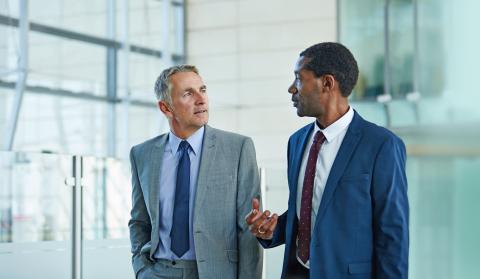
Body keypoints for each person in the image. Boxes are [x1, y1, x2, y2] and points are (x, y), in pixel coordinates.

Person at [246, 42, 409, 279]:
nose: (292, 89)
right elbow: (309, 213)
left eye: (299, 79)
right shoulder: (297, 142)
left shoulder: (381, 145)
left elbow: (392, 234)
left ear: (327, 83)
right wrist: (272, 229)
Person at [129, 64, 262, 279]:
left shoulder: (238, 149)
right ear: (165, 108)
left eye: (203, 90)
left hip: (216, 273)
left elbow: (248, 231)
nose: (201, 100)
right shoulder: (142, 154)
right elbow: (139, 220)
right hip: (158, 271)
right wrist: (141, 268)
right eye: (188, 94)